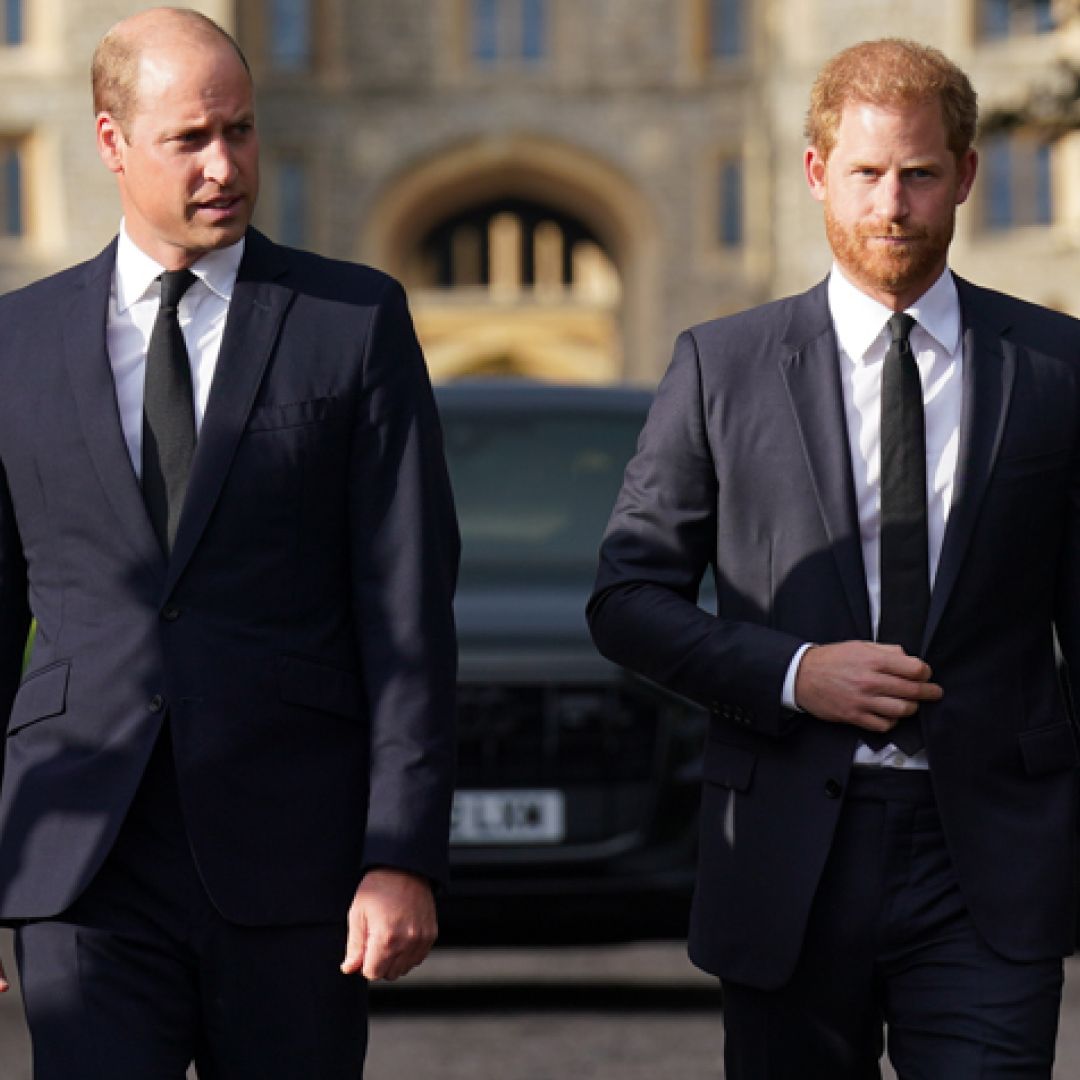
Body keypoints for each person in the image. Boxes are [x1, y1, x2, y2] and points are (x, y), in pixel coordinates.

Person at [589, 37, 1080, 1080]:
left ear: (966, 176)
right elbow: (628, 599)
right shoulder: (720, 368)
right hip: (787, 857)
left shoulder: (1057, 370)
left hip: (988, 860)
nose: (892, 204)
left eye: (918, 174)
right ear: (817, 172)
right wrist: (792, 673)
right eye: (865, 174)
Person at [0, 7, 458, 1078]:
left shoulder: (352, 321)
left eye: (241, 132)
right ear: (111, 143)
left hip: (295, 864)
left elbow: (406, 612)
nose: (226, 165)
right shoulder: (14, 343)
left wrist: (401, 854)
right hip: (80, 866)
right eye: (190, 139)